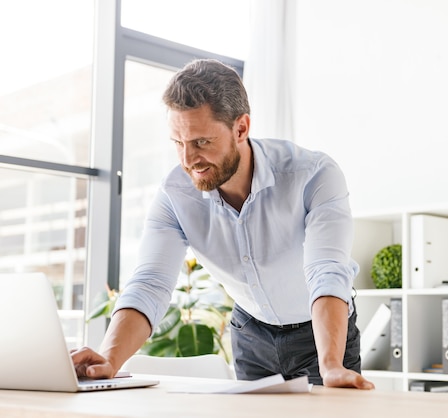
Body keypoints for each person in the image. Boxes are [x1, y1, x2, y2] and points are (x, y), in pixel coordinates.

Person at [72, 59, 374, 390]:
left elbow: (327, 270)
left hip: (322, 334)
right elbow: (150, 283)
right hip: (251, 334)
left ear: (241, 128)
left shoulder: (313, 174)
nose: (188, 160)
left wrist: (331, 364)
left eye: (201, 142)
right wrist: (110, 358)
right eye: (178, 143)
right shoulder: (174, 195)